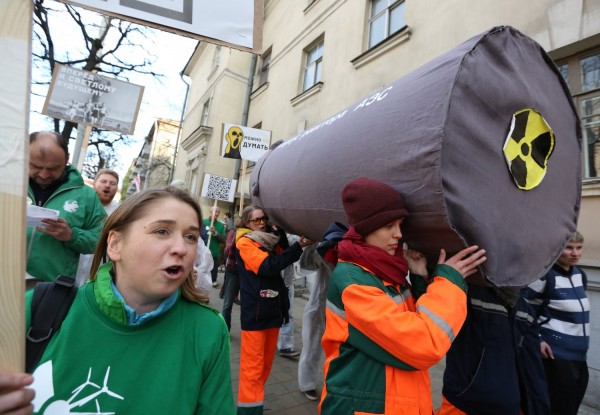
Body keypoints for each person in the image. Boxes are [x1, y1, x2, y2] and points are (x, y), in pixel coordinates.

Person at [4, 186, 235, 414]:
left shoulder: (208, 331)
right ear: (115, 244)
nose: (181, 248)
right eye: (162, 231)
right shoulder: (40, 306)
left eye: (190, 237)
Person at [319, 177, 487, 415]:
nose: (398, 234)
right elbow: (422, 343)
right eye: (389, 226)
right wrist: (448, 283)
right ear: (366, 228)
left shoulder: (383, 269)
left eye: (400, 224)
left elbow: (408, 319)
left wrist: (418, 279)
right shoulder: (354, 282)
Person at [235, 206, 313, 415]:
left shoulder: (266, 239)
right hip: (256, 314)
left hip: (271, 311)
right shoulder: (245, 242)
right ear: (246, 223)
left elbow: (283, 253)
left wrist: (281, 233)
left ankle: (256, 404)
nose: (262, 223)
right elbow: (269, 266)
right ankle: (249, 411)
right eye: (257, 220)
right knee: (252, 370)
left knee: (265, 366)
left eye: (264, 219)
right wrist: (296, 247)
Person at [438, 284, 551, 415]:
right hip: (464, 404)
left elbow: (532, 368)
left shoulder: (526, 311)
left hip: (509, 405)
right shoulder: (467, 292)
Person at [26, 131, 107, 286]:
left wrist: (72, 235)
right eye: (36, 166)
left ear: (66, 159)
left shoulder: (86, 196)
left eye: (53, 168)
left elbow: (104, 239)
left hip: (50, 290)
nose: (43, 175)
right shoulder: (8, 185)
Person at [525, 231, 590, 415]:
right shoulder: (544, 276)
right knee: (559, 408)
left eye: (579, 247)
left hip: (579, 356)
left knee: (572, 406)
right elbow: (526, 310)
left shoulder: (581, 275)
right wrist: (537, 339)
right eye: (569, 248)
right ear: (557, 249)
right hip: (556, 356)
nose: (575, 253)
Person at [297, 222, 347, 401]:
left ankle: (335, 386)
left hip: (344, 308)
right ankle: (306, 383)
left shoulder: (352, 252)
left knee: (340, 350)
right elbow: (307, 266)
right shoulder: (325, 250)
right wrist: (312, 245)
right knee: (312, 342)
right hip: (320, 303)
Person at [75, 169, 120, 285]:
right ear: (94, 183)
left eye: (112, 183)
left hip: (100, 269)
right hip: (73, 264)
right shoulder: (79, 204)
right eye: (104, 181)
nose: (108, 186)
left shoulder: (120, 213)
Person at [277, 233, 301, 358]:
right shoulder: (273, 234)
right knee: (282, 314)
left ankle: (285, 345)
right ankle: (282, 344)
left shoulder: (289, 234)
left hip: (286, 281)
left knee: (287, 314)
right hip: (276, 282)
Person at [221, 223, 240, 331]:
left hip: (247, 270)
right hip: (233, 270)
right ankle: (225, 329)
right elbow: (227, 250)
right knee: (228, 303)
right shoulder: (233, 232)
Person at [204, 206, 226, 287]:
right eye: (215, 211)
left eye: (218, 212)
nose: (217, 213)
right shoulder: (203, 222)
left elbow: (223, 239)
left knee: (214, 269)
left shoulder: (221, 225)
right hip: (204, 251)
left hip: (214, 252)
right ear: (210, 211)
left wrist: (215, 232)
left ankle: (213, 280)